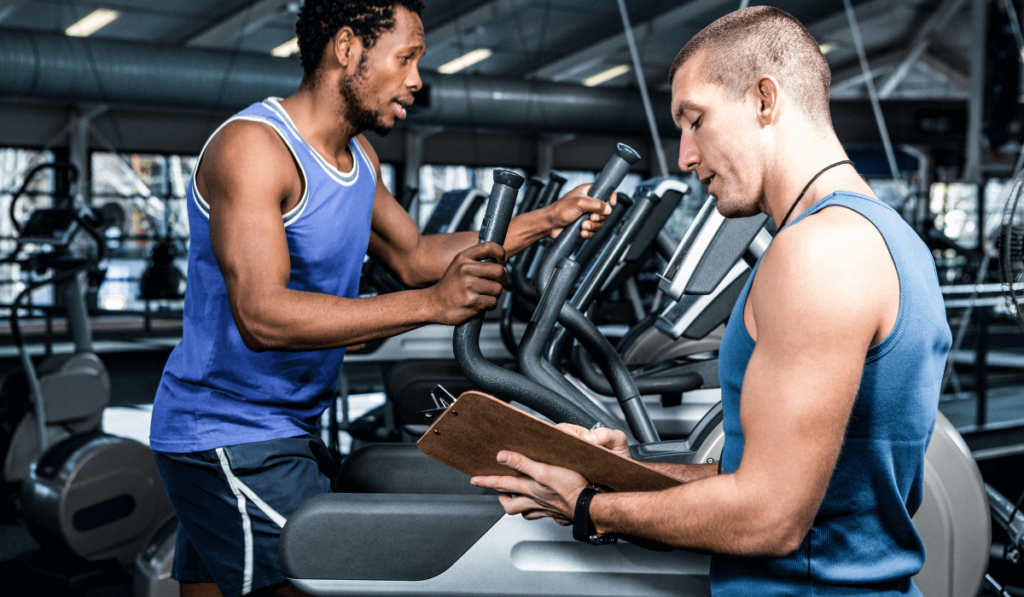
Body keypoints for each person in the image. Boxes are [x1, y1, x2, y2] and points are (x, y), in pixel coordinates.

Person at [472, 7, 952, 596]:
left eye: (695, 120)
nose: (685, 156)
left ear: (764, 100)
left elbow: (768, 517)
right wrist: (623, 475)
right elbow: (761, 480)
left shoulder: (819, 253)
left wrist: (588, 505)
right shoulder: (882, 237)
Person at [148, 1, 616, 596]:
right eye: (407, 58)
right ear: (348, 48)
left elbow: (418, 255)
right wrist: (430, 305)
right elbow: (262, 315)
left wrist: (547, 220)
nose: (417, 80)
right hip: (227, 433)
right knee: (319, 578)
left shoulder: (359, 158)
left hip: (283, 426)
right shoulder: (255, 149)